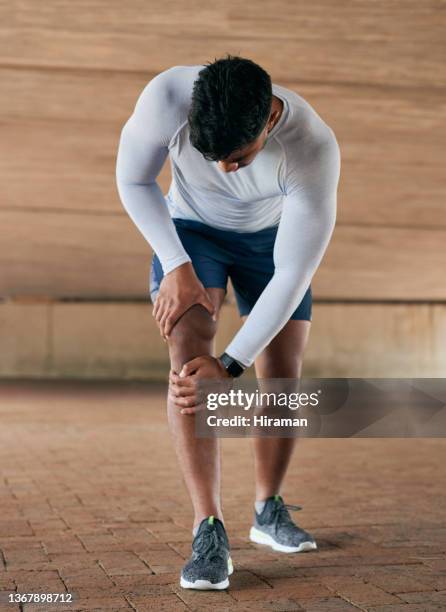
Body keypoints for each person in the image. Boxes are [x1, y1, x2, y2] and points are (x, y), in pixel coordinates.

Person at [116, 55, 341, 590]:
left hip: (273, 243)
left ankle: (267, 509)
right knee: (190, 359)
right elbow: (133, 178)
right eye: (211, 156)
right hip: (190, 230)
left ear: (267, 120)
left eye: (237, 159)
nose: (225, 170)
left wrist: (234, 364)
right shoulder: (168, 96)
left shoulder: (312, 148)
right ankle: (207, 527)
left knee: (282, 377)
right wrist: (175, 264)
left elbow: (292, 272)